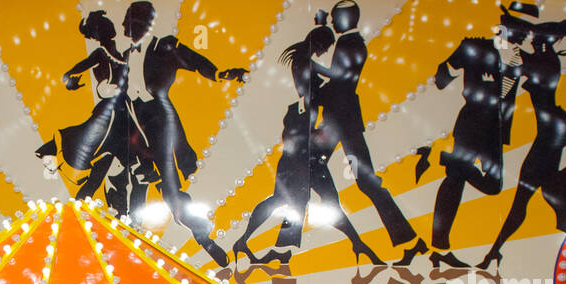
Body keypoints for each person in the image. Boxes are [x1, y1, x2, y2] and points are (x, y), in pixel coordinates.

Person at [477, 17, 566, 268]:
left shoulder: (544, 61)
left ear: (543, 40)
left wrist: (507, 37)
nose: (531, 40)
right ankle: (494, 252)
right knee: (552, 188)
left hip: (549, 132)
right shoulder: (546, 59)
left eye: (535, 38)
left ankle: (493, 253)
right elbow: (511, 69)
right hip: (553, 129)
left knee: (523, 198)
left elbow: (511, 69)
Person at [232, 26, 379, 267]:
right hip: (303, 138)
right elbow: (331, 81)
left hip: (300, 137)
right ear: (318, 41)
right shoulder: (303, 60)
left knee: (288, 198)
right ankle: (356, 244)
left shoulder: (302, 59)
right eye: (325, 46)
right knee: (308, 199)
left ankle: (253, 244)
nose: (325, 51)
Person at [120, 1, 248, 266]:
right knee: (136, 181)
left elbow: (195, 60)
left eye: (129, 21)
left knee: (170, 192)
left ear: (143, 23)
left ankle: (203, 237)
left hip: (158, 122)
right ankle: (130, 247)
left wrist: (221, 74)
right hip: (135, 124)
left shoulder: (165, 45)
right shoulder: (128, 53)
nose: (124, 27)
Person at [311, 1, 424, 264]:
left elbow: (338, 79)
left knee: (362, 180)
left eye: (336, 18)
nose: (334, 21)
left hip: (341, 120)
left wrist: (312, 62)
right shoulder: (351, 42)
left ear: (344, 18)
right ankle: (408, 241)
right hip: (340, 119)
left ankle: (409, 241)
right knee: (354, 178)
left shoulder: (352, 44)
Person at [428, 3, 529, 266]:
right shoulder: (478, 47)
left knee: (494, 185)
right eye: (515, 26)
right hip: (472, 120)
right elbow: (442, 73)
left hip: (494, 128)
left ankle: (453, 162)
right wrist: (451, 71)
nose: (521, 33)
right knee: (455, 180)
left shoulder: (520, 59)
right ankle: (439, 248)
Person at [36, 11, 139, 215]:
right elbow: (71, 72)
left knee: (111, 167)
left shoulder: (125, 54)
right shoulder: (101, 53)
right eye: (103, 26)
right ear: (99, 33)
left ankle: (115, 213)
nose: (109, 28)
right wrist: (71, 82)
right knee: (101, 155)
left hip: (124, 115)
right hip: (108, 115)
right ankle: (93, 210)